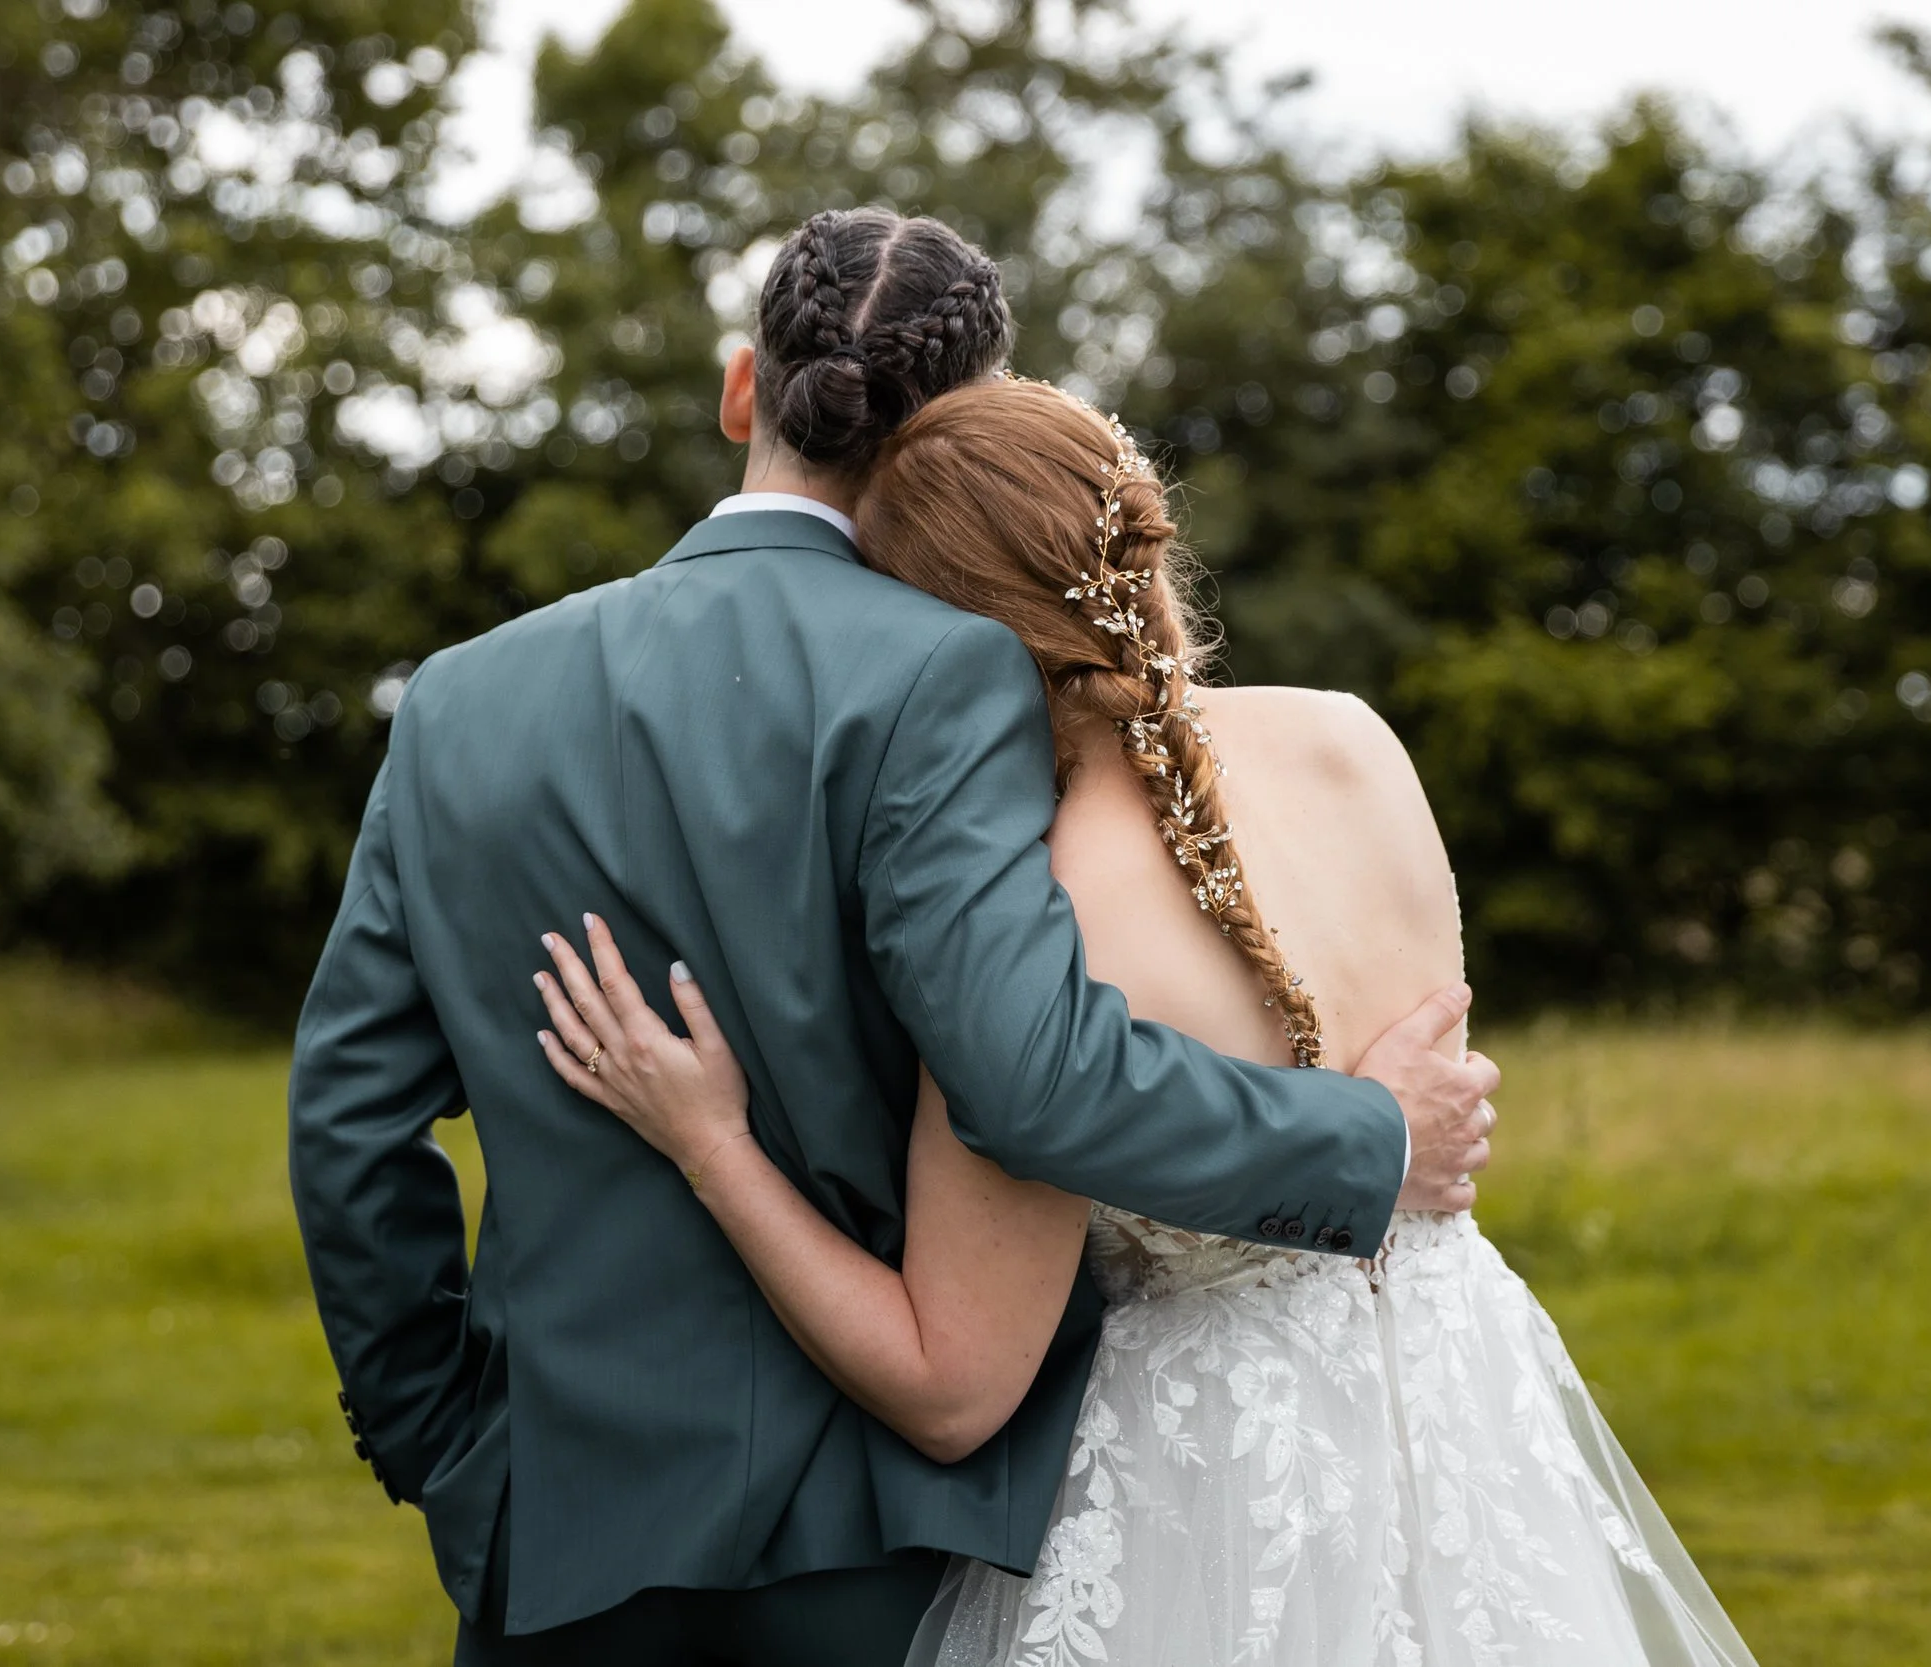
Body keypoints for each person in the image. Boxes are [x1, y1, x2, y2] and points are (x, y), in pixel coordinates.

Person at [287, 208, 1498, 1666]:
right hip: (874, 1539)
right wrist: (1365, 1141)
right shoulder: (954, 673)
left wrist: (441, 1443)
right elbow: (1036, 1075)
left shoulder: (457, 700)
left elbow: (350, 1123)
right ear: (955, 426)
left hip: (550, 1525)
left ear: (744, 387)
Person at [532, 377, 1759, 1665]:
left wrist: (712, 1144)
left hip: (1208, 1506)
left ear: (929, 629)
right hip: (1466, 1445)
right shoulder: (1355, 743)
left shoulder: (1023, 921)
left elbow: (950, 1389)